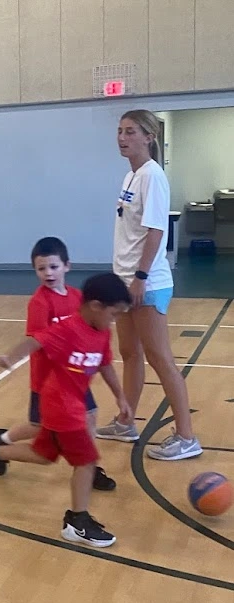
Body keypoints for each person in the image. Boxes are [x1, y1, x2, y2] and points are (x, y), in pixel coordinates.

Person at [0, 273, 133, 548]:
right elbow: (35, 340)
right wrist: (9, 358)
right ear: (95, 306)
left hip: (72, 404)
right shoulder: (68, 329)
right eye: (114, 313)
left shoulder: (102, 332)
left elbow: (105, 365)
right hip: (60, 406)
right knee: (86, 460)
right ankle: (76, 521)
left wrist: (121, 397)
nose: (115, 320)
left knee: (44, 454)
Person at [96, 109, 202, 461]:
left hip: (147, 282)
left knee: (160, 358)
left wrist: (140, 277)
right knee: (130, 354)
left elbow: (158, 231)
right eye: (120, 131)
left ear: (149, 136)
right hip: (125, 281)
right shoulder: (132, 176)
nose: (122, 138)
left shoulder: (152, 176)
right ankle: (127, 422)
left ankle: (187, 436)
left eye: (131, 132)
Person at [0, 236, 115, 493]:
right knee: (38, 426)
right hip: (48, 380)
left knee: (90, 416)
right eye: (41, 268)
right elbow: (39, 340)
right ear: (35, 270)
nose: (48, 273)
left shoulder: (78, 297)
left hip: (76, 376)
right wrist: (11, 358)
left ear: (67, 266)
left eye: (53, 266)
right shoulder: (40, 303)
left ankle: (89, 467)